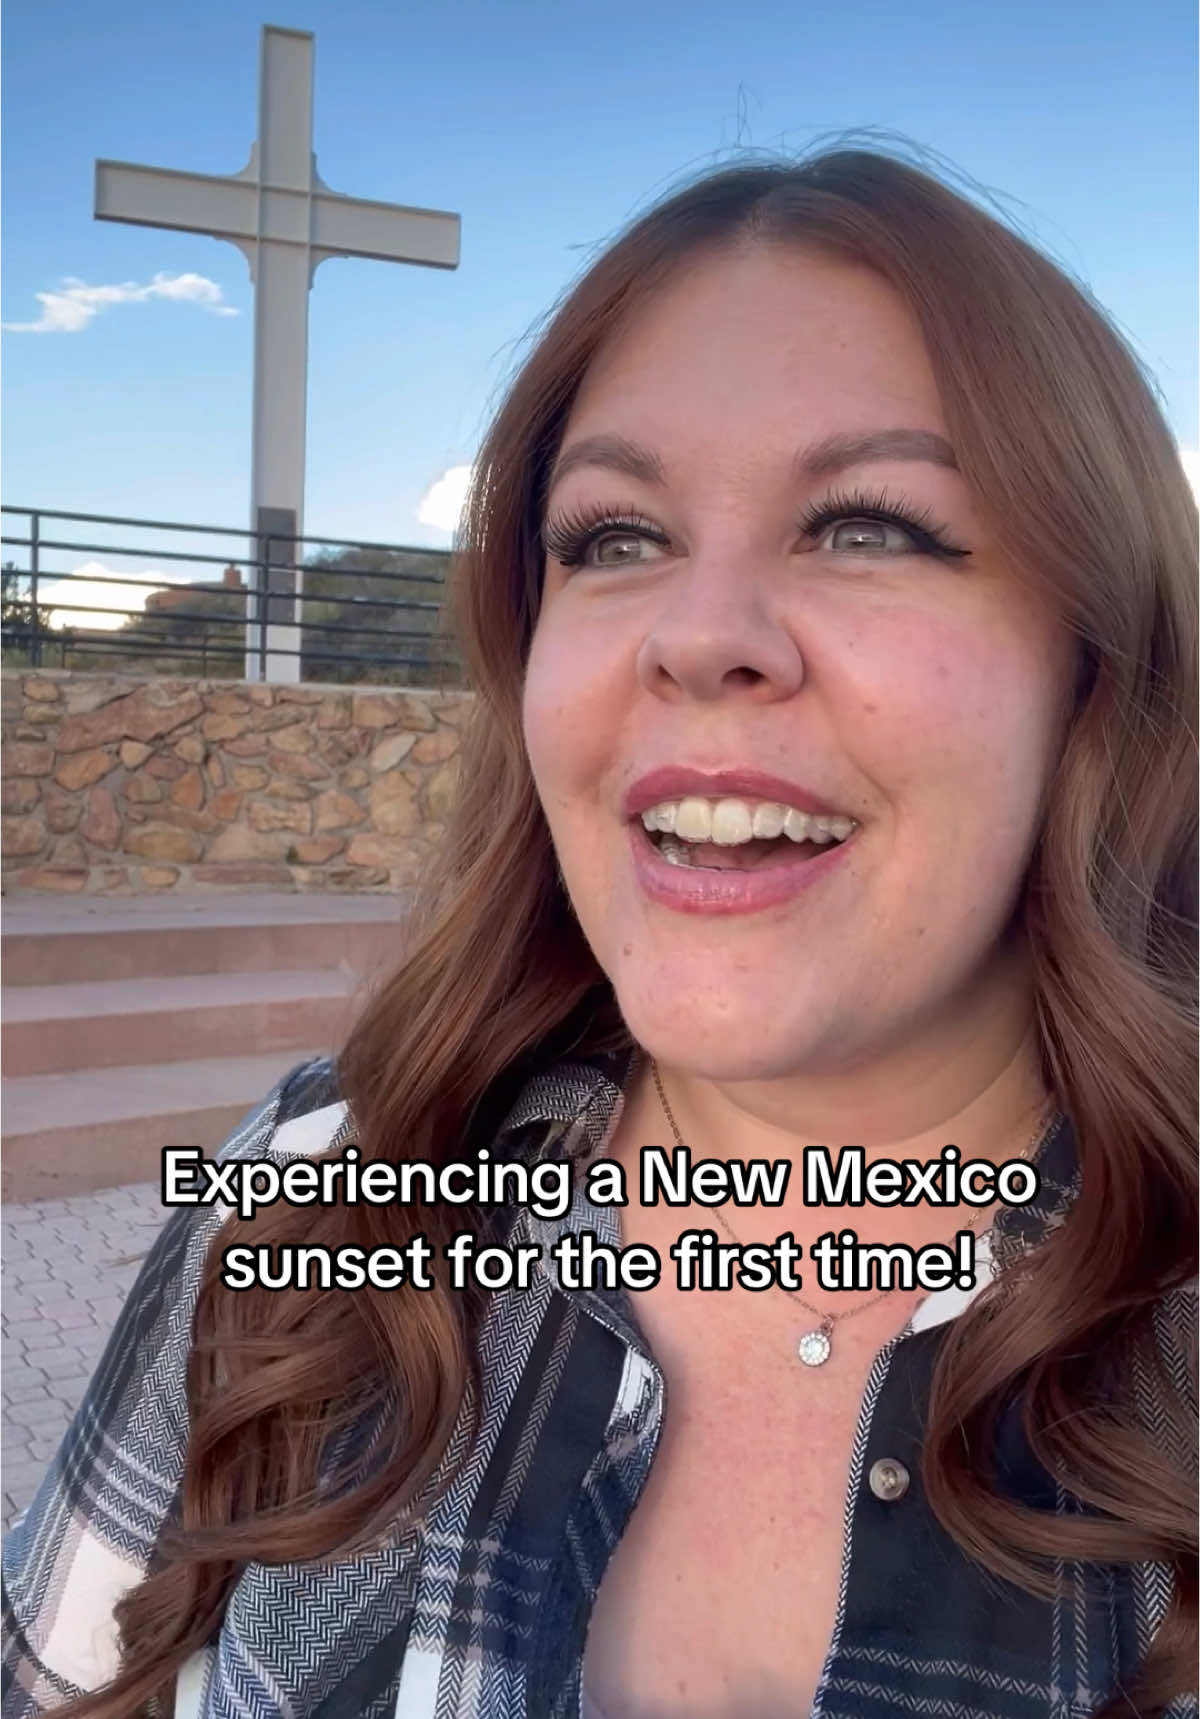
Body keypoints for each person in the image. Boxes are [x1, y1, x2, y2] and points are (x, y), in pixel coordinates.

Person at [3, 146, 1196, 1719]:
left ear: (1096, 664)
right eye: (613, 539)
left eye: (869, 525)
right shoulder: (317, 1196)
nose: (700, 635)